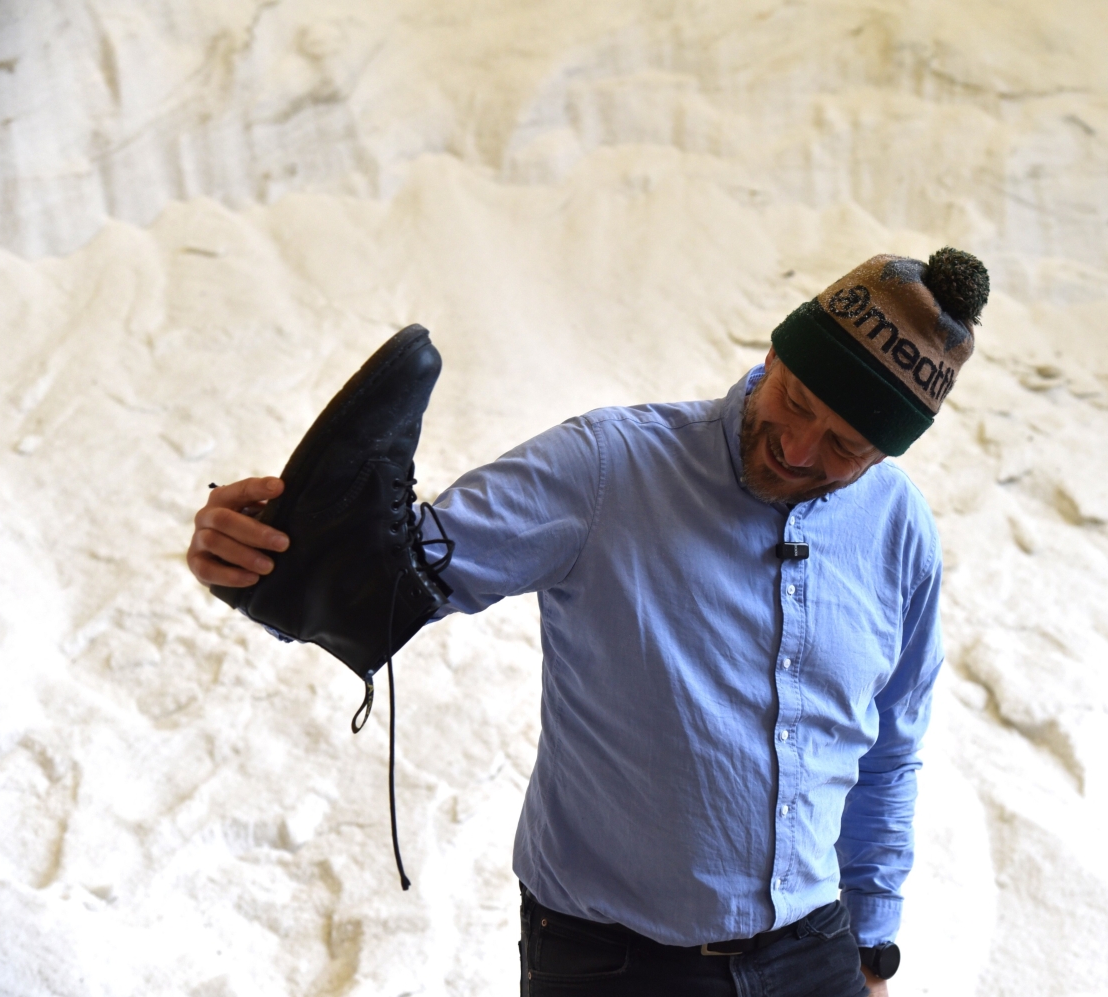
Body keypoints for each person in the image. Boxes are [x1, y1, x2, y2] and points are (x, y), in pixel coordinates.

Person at [187, 249, 989, 997]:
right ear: (775, 354)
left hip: (813, 952)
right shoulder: (608, 467)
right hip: (613, 962)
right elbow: (383, 578)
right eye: (797, 402)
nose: (800, 448)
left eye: (845, 444)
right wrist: (262, 561)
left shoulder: (899, 533)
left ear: (886, 454)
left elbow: (890, 750)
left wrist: (873, 947)